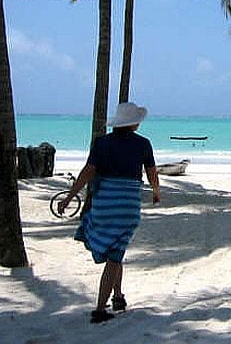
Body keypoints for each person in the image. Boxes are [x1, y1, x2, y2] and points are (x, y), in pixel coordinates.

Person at [58, 102, 160, 323]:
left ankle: (118, 296)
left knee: (115, 251)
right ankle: (100, 309)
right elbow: (151, 173)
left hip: (104, 205)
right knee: (116, 254)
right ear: (133, 123)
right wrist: (156, 191)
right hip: (127, 207)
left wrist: (69, 196)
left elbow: (88, 172)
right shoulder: (143, 144)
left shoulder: (102, 143)